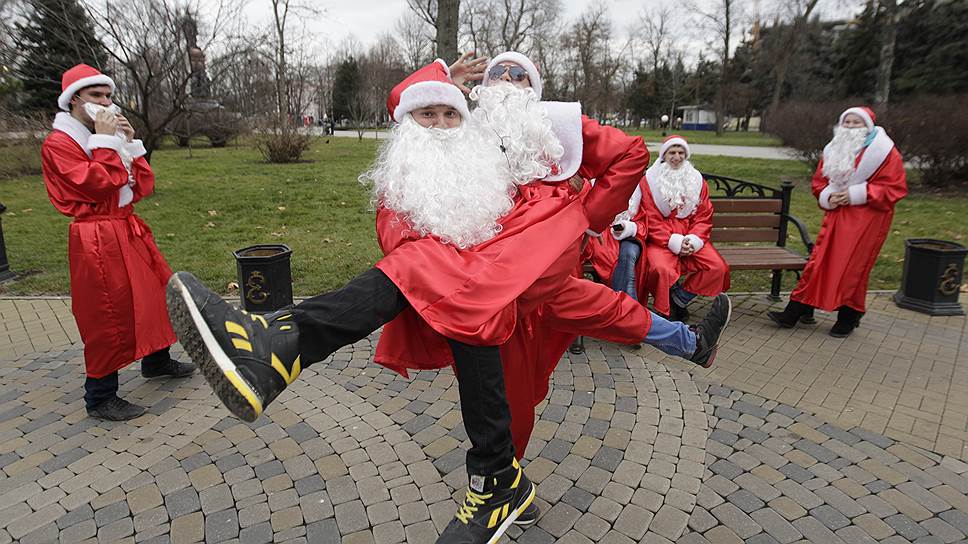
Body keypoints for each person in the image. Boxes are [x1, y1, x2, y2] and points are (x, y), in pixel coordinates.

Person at [167, 60, 730, 544]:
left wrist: (588, 212)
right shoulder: (458, 134)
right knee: (504, 358)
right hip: (482, 268)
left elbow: (628, 153)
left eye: (520, 74)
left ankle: (279, 345)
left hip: (536, 253)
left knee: (573, 312)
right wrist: (442, 76)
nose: (505, 80)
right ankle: (503, 482)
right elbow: (411, 107)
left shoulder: (547, 128)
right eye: (495, 73)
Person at [41, 64, 195, 421]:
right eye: (97, 96)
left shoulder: (104, 136)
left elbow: (140, 187)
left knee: (157, 293)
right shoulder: (60, 143)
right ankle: (99, 396)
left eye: (109, 95)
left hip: (125, 226)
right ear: (75, 99)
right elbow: (97, 183)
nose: (106, 102)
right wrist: (108, 142)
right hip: (95, 236)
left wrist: (131, 144)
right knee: (107, 312)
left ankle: (156, 360)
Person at [768, 106, 907, 337]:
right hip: (835, 214)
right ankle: (798, 309)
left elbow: (894, 188)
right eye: (847, 122)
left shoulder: (884, 152)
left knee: (853, 267)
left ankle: (849, 316)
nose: (850, 127)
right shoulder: (833, 149)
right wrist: (828, 195)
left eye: (856, 123)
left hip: (867, 217)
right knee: (820, 262)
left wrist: (855, 194)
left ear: (868, 127)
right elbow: (820, 181)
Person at [640, 136, 730, 322]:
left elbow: (704, 215)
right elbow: (650, 218)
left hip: (691, 235)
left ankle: (679, 299)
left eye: (681, 153)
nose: (677, 157)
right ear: (664, 155)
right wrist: (674, 241)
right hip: (660, 239)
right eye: (672, 152)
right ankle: (663, 312)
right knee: (660, 269)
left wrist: (694, 239)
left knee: (717, 267)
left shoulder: (696, 180)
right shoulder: (649, 181)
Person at [581, 184, 648, 300]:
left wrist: (628, 227)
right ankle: (628, 308)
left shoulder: (639, 188)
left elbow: (644, 221)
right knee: (614, 261)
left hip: (631, 234)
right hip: (602, 234)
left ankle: (626, 307)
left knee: (629, 257)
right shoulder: (593, 184)